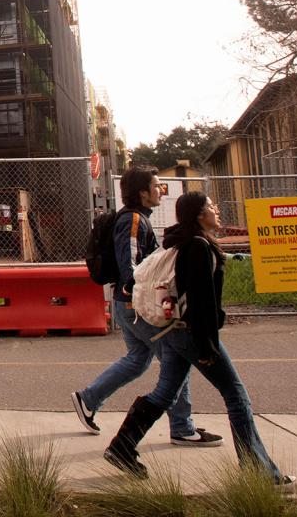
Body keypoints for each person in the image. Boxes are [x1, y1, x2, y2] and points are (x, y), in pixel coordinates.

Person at [102, 192, 297, 492]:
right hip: (192, 334)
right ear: (198, 214)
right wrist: (207, 346)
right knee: (236, 396)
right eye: (210, 207)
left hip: (177, 332)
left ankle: (122, 447)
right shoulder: (197, 247)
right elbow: (201, 303)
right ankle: (262, 474)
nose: (216, 211)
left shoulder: (181, 241)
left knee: (165, 392)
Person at [71, 166, 222, 447]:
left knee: (138, 360)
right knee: (175, 360)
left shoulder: (139, 218)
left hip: (127, 303)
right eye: (156, 186)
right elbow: (129, 259)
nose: (160, 190)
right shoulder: (134, 220)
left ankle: (88, 399)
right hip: (136, 305)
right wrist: (135, 290)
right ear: (142, 192)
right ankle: (182, 427)